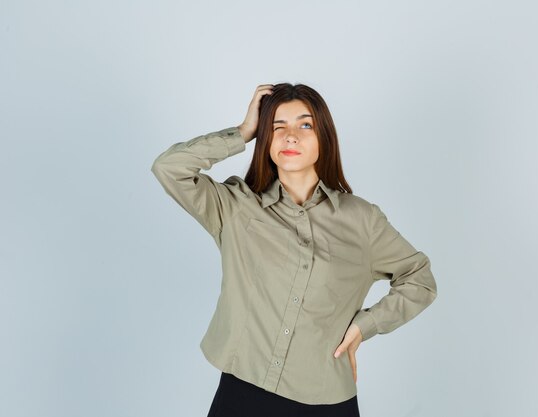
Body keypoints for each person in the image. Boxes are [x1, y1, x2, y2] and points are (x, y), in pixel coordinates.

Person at [151, 83, 438, 417]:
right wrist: (243, 131)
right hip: (242, 392)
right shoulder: (236, 207)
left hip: (325, 401)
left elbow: (419, 278)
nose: (290, 136)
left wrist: (365, 326)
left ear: (324, 138)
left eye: (305, 125)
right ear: (265, 139)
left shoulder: (362, 220)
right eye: (277, 127)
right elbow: (168, 168)